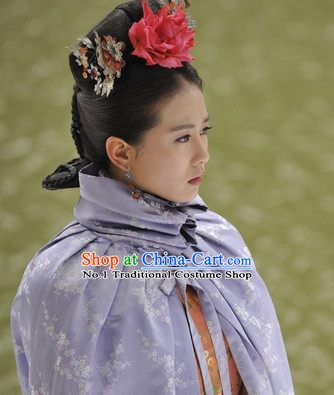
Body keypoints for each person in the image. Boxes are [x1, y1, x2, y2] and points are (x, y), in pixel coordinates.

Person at [11, 0, 294, 393]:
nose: (203, 154)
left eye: (203, 131)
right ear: (121, 152)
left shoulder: (215, 237)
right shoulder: (68, 279)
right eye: (182, 138)